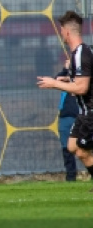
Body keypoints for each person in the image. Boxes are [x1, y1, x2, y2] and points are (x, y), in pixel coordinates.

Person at [37, 10, 93, 190]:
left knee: (82, 151)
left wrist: (55, 83)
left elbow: (82, 88)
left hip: (90, 112)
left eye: (61, 31)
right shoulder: (79, 53)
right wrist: (66, 80)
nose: (61, 34)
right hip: (84, 112)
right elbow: (83, 81)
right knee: (72, 146)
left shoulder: (81, 54)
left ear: (67, 32)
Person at [56, 57, 79, 181]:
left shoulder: (84, 76)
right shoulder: (65, 76)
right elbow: (56, 80)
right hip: (66, 116)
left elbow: (82, 84)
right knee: (66, 147)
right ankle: (70, 176)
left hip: (82, 116)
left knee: (87, 146)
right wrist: (65, 69)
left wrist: (68, 79)